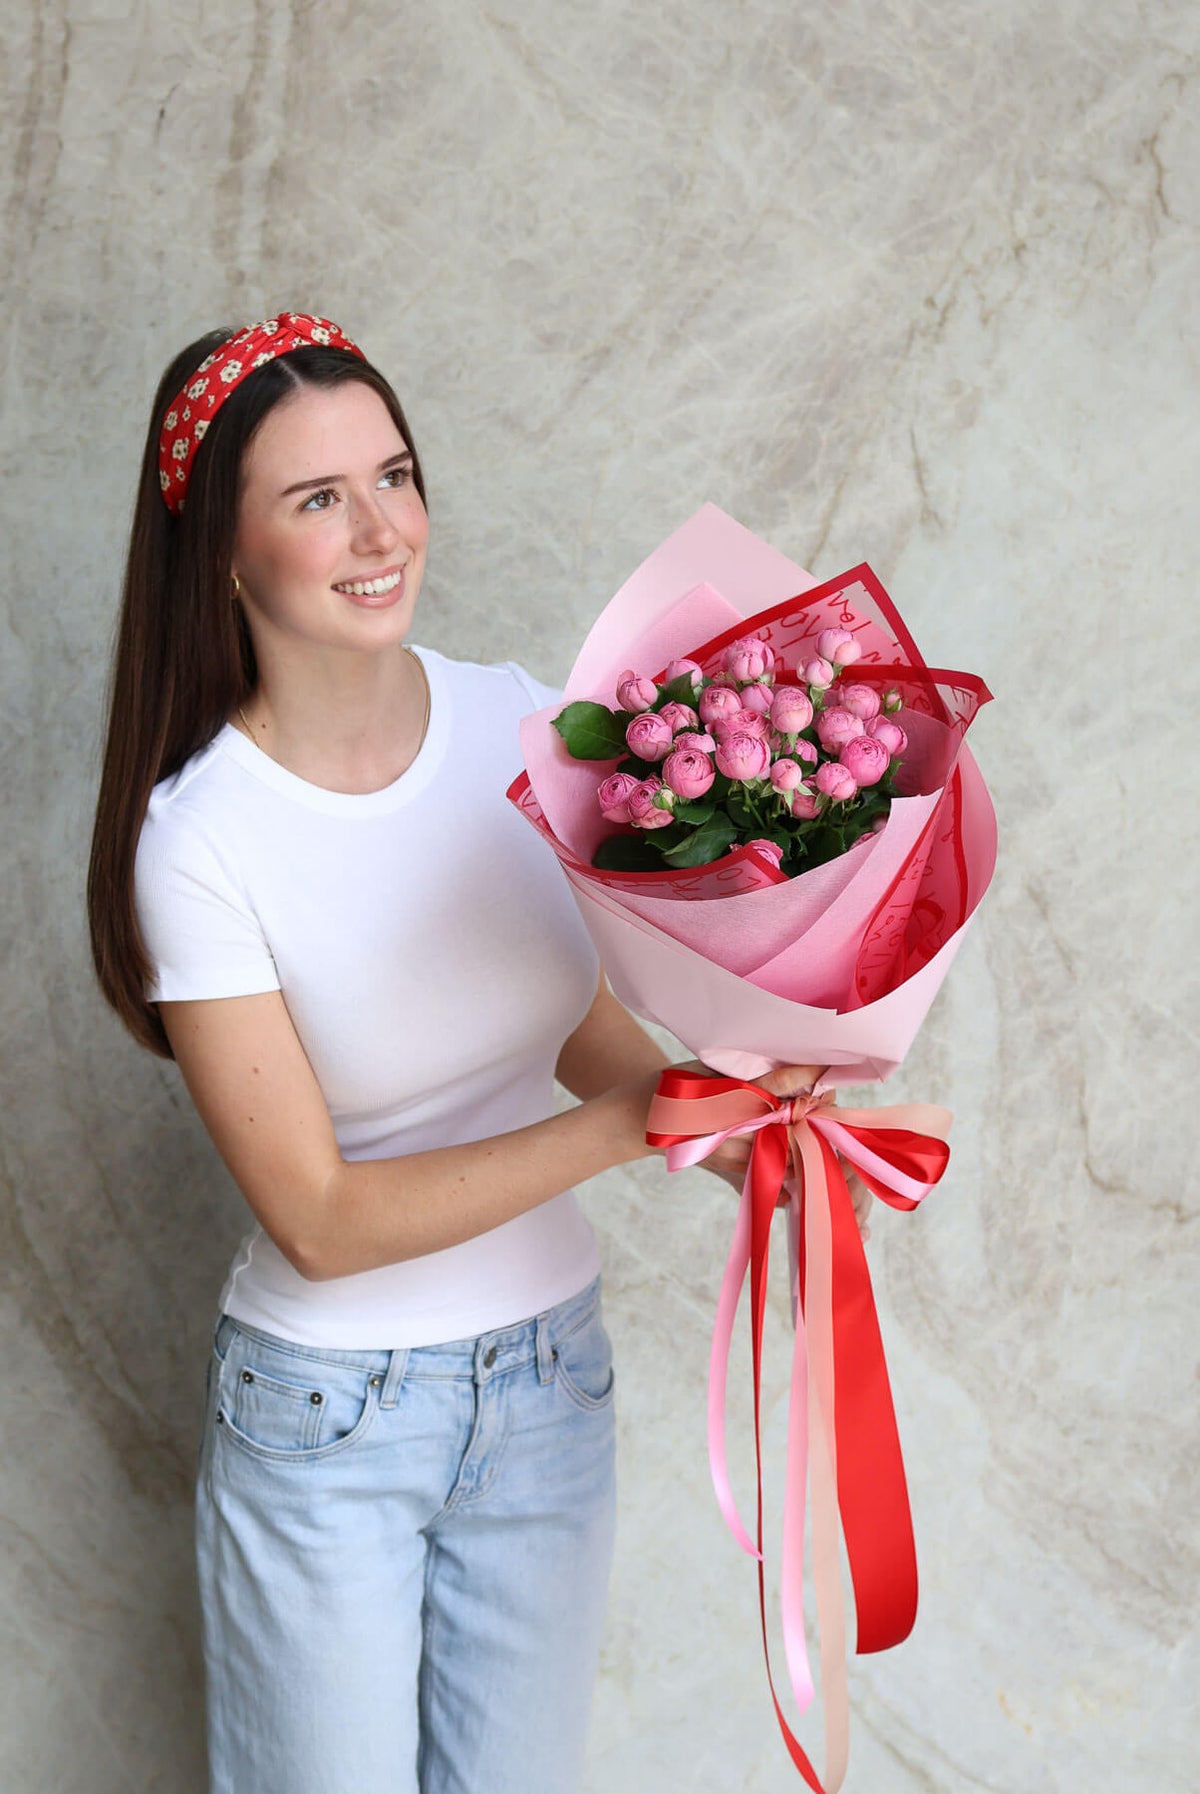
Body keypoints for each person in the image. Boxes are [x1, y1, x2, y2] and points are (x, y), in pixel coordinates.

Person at [86, 312, 842, 1794]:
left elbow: (567, 1022)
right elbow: (319, 1217)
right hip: (328, 1430)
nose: (379, 530)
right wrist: (635, 1129)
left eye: (395, 474)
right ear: (225, 557)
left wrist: (759, 1130)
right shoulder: (198, 840)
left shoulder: (513, 719)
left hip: (551, 1383)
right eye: (316, 499)